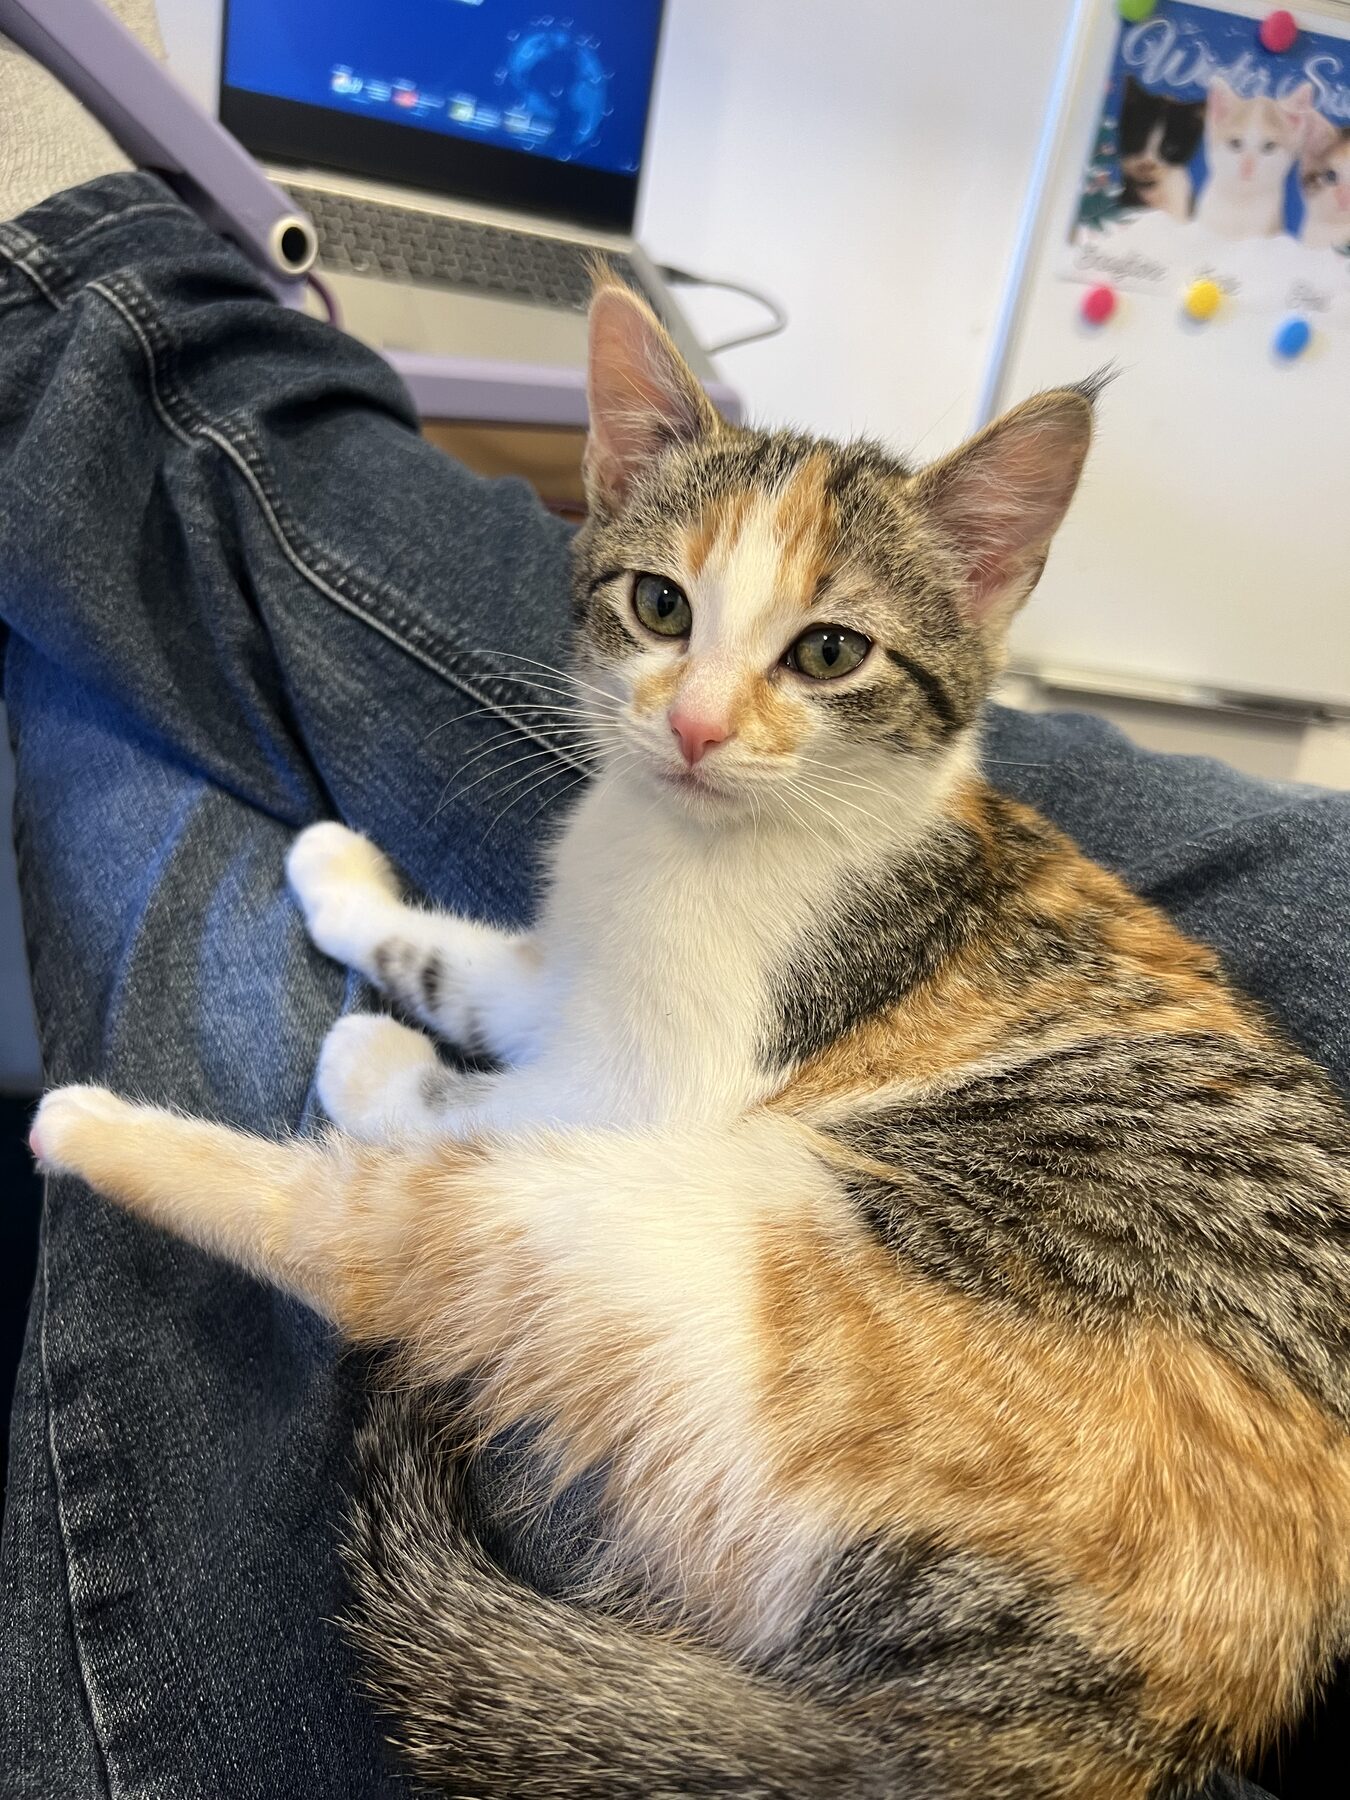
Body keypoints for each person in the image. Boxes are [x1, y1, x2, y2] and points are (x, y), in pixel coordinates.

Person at [0, 8, 1343, 1795]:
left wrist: (420, 1099)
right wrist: (388, 939)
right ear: (617, 498)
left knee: (180, 764)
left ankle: (120, 367)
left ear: (987, 583)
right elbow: (601, 1007)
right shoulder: (810, 844)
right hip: (1120, 1447)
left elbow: (625, 1108)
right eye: (655, 610)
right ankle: (131, 387)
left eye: (829, 655)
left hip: (1029, 1486)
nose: (705, 717)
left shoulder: (848, 883)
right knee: (251, 790)